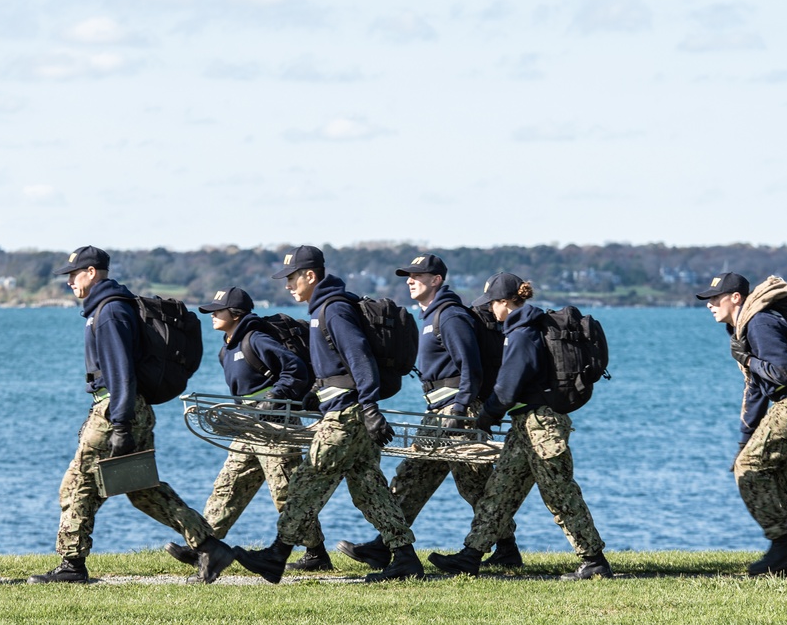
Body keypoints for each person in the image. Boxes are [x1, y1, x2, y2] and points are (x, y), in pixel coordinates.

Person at [29, 246, 234, 584]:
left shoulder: (109, 312)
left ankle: (72, 566)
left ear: (92, 271)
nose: (69, 281)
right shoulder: (110, 308)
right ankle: (210, 547)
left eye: (73, 274)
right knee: (142, 489)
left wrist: (120, 424)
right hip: (122, 408)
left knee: (77, 484)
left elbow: (121, 372)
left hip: (117, 410)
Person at [234, 245, 423, 583]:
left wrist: (369, 408)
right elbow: (336, 369)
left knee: (307, 482)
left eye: (292, 278)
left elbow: (359, 356)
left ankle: (276, 555)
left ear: (310, 275)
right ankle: (406, 558)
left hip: (347, 417)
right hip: (346, 409)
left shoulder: (332, 309)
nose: (288, 285)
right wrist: (314, 398)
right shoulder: (323, 309)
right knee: (370, 489)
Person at [337, 255, 522, 570]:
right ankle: (386, 545)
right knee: (415, 477)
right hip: (440, 408)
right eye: (408, 276)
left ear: (436, 279)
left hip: (455, 410)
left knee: (472, 482)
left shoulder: (449, 316)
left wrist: (461, 411)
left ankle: (504, 548)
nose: (410, 280)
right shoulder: (431, 315)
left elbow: (471, 369)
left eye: (418, 276)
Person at [428, 273, 612, 580]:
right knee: (499, 492)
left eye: (492, 304)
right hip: (525, 424)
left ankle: (593, 559)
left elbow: (507, 387)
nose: (490, 311)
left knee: (559, 493)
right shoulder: (525, 327)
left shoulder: (522, 332)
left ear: (505, 302)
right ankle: (470, 556)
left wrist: (485, 416)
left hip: (541, 426)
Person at [163, 287, 332, 576]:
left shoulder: (257, 339)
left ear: (237, 313)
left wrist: (274, 398)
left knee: (286, 492)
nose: (212, 314)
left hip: (277, 427)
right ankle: (204, 548)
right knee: (227, 487)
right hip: (248, 427)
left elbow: (297, 370)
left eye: (219, 309)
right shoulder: (226, 348)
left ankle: (316, 553)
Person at [696, 272, 787, 577]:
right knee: (776, 477)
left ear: (736, 298)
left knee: (751, 470)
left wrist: (748, 360)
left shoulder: (759, 323)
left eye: (715, 298)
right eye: (708, 300)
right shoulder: (743, 328)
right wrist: (746, 437)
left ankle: (784, 545)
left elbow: (782, 373)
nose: (710, 305)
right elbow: (756, 387)